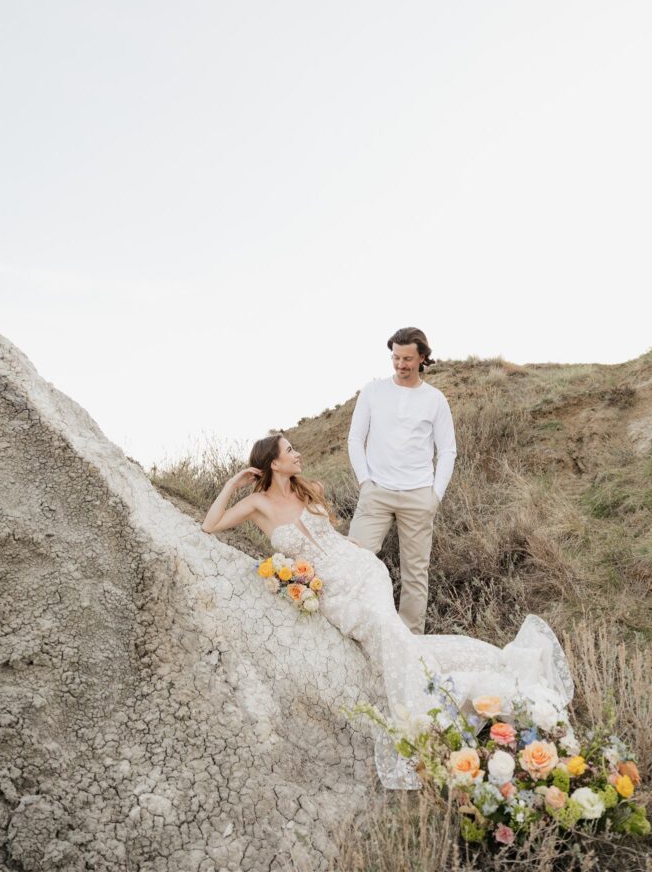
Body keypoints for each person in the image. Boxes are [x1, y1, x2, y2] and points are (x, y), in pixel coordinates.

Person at [201, 434, 574, 790]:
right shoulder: (258, 505)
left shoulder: (308, 489)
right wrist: (234, 483)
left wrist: (347, 544)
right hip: (332, 589)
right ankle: (470, 677)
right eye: (290, 449)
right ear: (274, 462)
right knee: (389, 634)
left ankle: (427, 717)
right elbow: (210, 525)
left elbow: (328, 536)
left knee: (385, 626)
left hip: (362, 570)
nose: (298, 454)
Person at [347, 327, 457, 634]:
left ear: (422, 357)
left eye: (408, 358)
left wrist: (435, 496)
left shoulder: (435, 400)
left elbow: (447, 450)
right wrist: (364, 482)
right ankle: (355, 629)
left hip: (418, 495)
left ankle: (410, 643)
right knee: (355, 561)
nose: (400, 364)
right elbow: (356, 438)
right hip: (376, 492)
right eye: (395, 357)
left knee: (415, 575)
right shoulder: (373, 391)